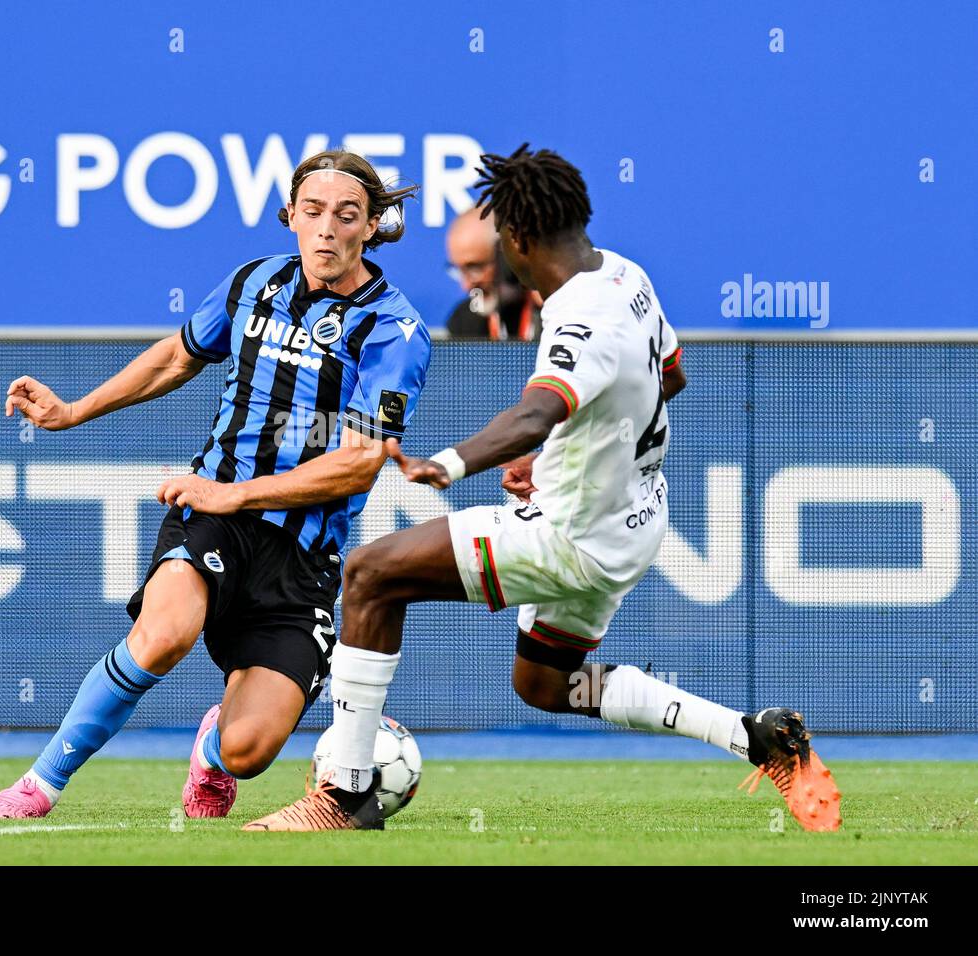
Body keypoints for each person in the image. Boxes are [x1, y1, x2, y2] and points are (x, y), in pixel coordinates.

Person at [243, 145, 841, 833]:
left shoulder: (581, 314)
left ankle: (343, 797)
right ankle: (754, 738)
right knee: (546, 685)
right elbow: (669, 377)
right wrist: (570, 449)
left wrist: (451, 464)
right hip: (633, 518)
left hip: (571, 533)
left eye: (502, 244)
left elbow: (536, 410)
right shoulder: (625, 275)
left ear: (519, 241)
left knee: (374, 575)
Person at [0, 150, 431, 820]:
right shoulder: (254, 284)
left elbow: (360, 462)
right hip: (212, 517)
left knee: (249, 749)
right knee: (163, 635)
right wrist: (72, 411)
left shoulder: (396, 328)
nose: (328, 228)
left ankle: (212, 753)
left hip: (301, 559)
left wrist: (240, 494)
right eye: (313, 212)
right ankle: (40, 785)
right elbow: (176, 355)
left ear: (370, 228)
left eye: (346, 215)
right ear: (291, 218)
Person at [444, 207, 540, 340]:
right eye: (459, 270)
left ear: (510, 257)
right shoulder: (464, 321)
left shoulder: (555, 314)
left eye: (474, 268)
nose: (465, 286)